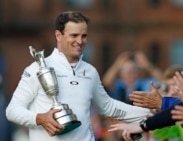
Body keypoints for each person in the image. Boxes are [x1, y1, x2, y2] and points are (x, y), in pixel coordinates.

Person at [5, 11, 152, 141]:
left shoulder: (90, 71)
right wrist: (39, 118)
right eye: (74, 35)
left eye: (84, 36)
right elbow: (12, 110)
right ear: (58, 35)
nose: (80, 42)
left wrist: (155, 112)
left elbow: (109, 107)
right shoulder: (38, 68)